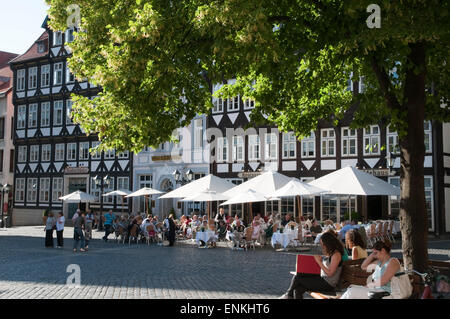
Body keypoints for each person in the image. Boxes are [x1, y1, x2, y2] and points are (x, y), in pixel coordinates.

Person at [279, 231, 345, 299]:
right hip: (323, 278)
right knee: (298, 282)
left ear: (328, 243)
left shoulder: (336, 255)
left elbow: (330, 273)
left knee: (298, 279)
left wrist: (319, 262)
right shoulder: (332, 253)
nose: (323, 247)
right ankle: (288, 295)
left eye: (323, 245)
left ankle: (288, 295)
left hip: (328, 284)